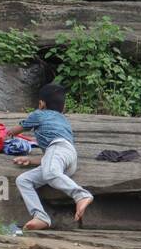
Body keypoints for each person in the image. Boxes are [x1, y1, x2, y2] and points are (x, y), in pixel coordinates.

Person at [7, 83, 93, 230]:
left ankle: (81, 195)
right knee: (24, 180)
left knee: (50, 172)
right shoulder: (63, 120)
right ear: (63, 106)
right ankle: (41, 216)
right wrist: (31, 160)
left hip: (58, 149)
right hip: (68, 159)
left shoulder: (38, 114)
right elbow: (53, 158)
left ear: (41, 104)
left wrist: (5, 134)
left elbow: (17, 130)